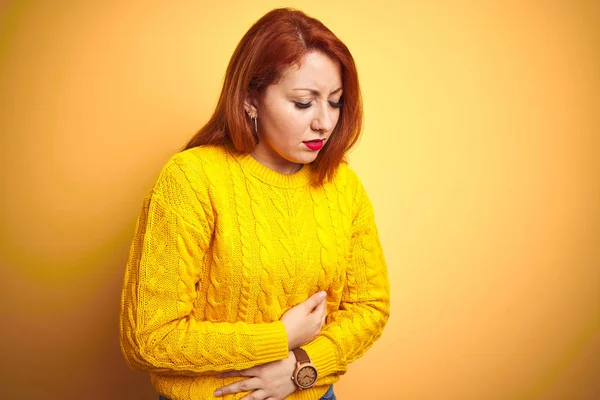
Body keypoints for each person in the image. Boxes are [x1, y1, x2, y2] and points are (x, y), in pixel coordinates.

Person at [119, 7, 390, 400]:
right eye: (303, 103)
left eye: (335, 101)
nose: (324, 123)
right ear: (250, 99)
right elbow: (148, 337)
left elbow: (370, 307)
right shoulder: (191, 179)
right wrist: (279, 338)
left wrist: (301, 367)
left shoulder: (342, 186)